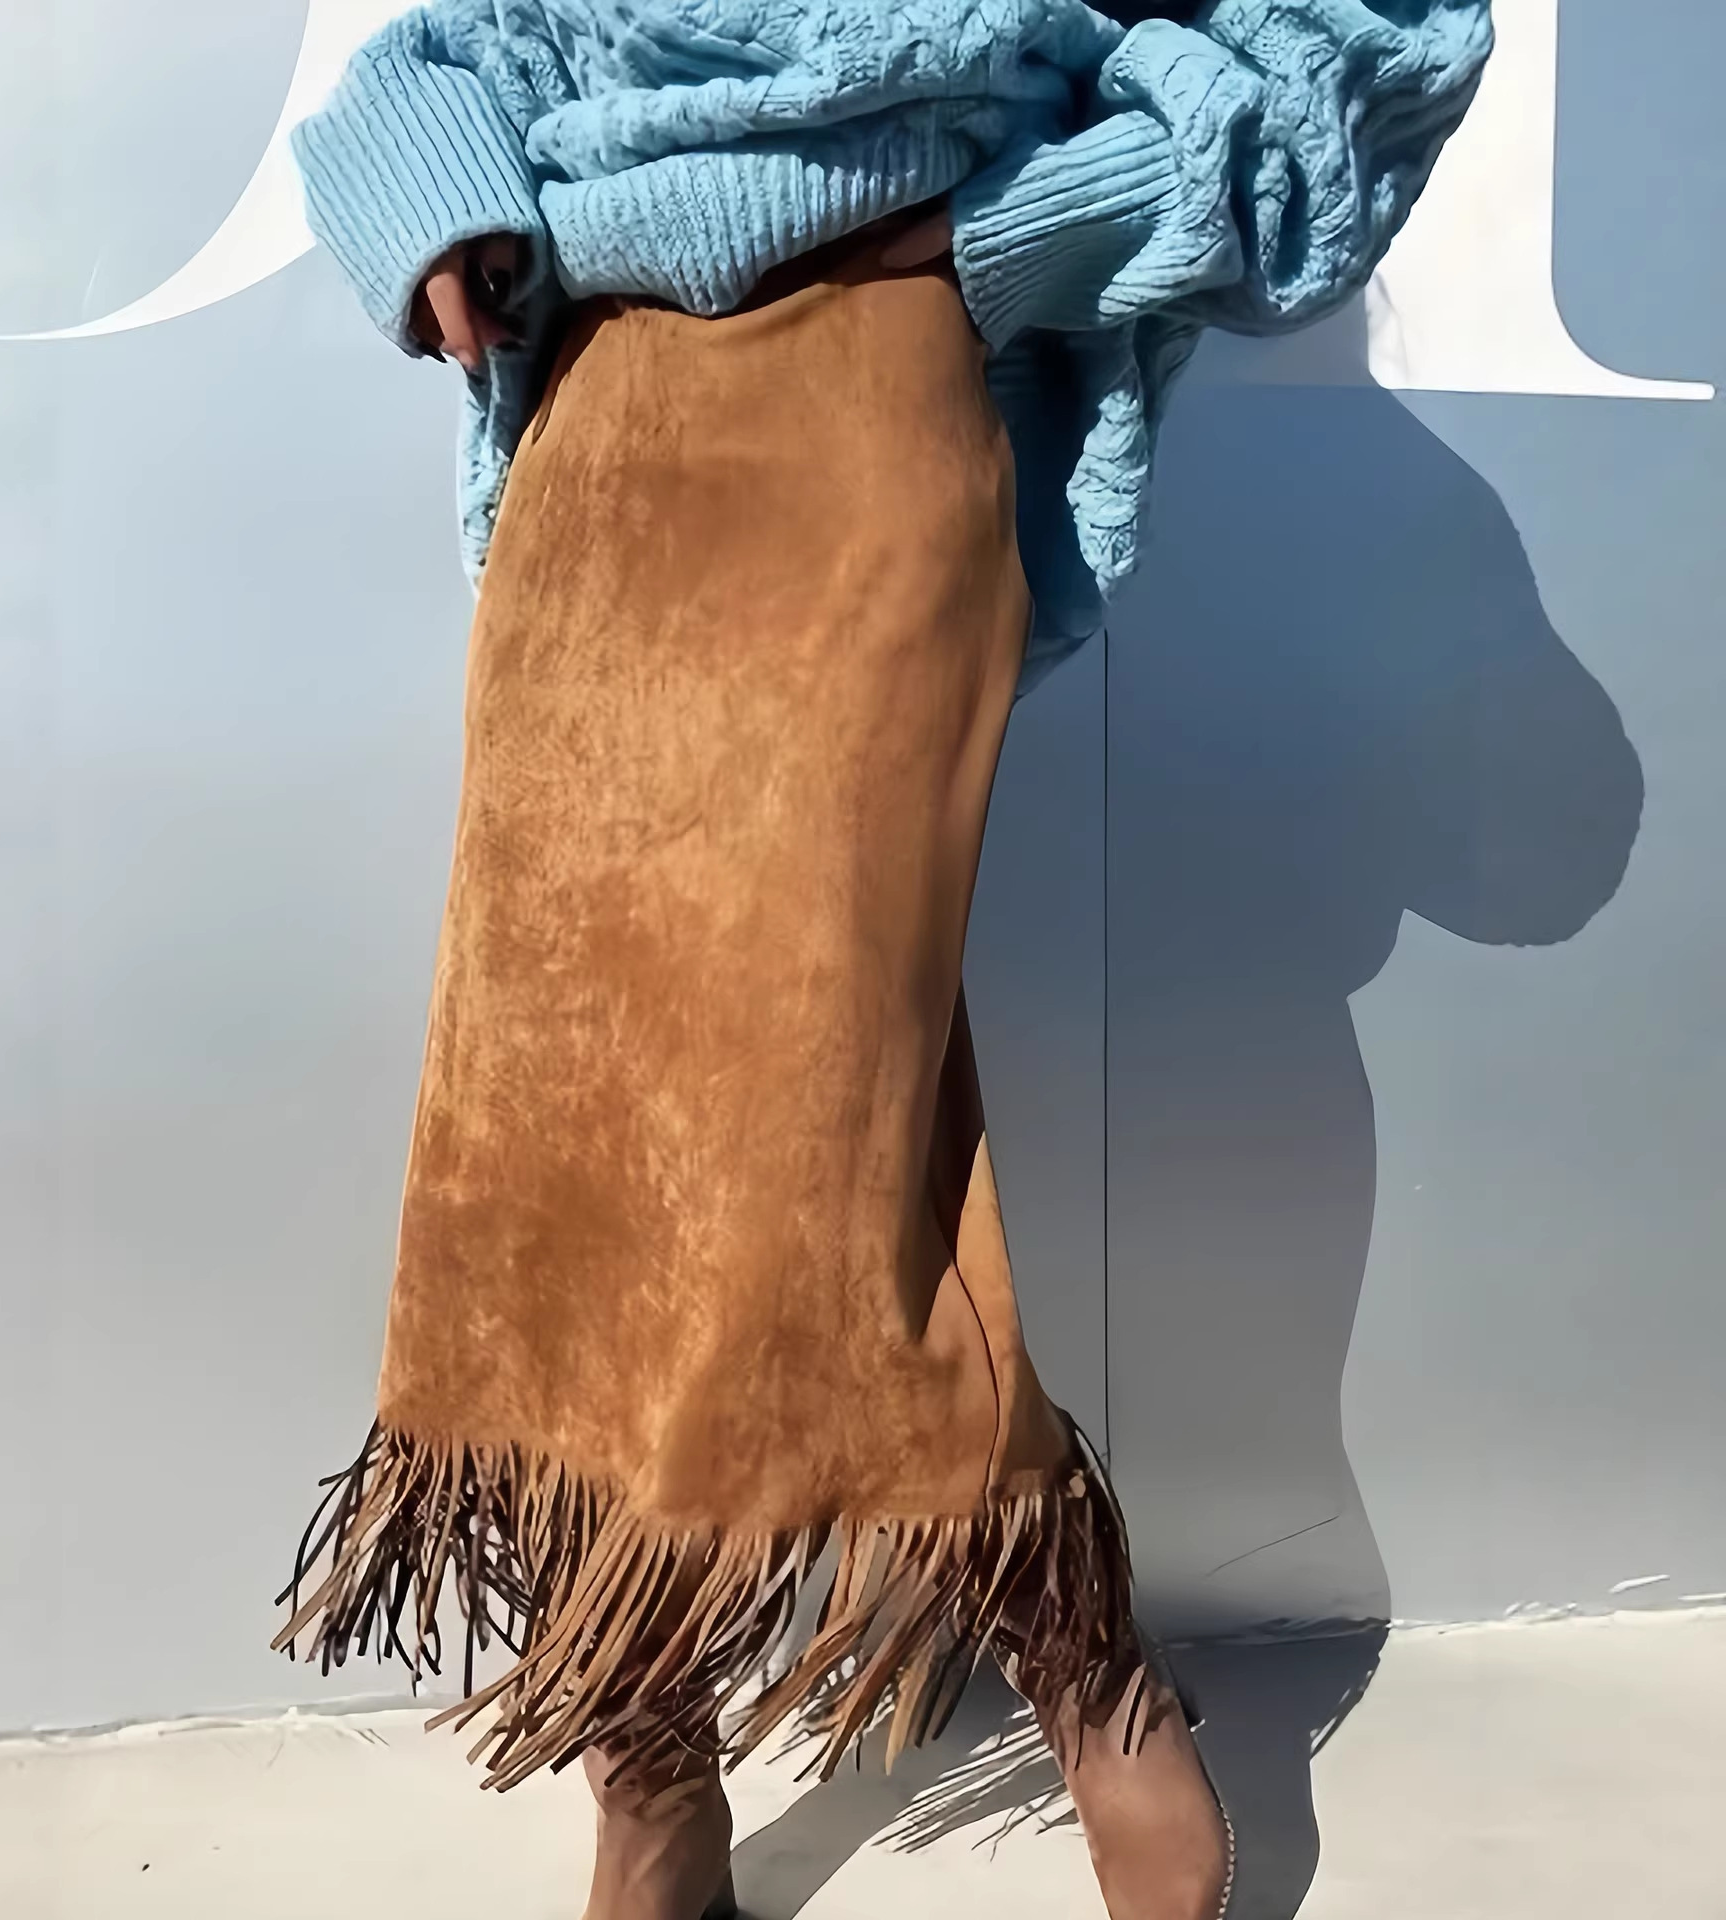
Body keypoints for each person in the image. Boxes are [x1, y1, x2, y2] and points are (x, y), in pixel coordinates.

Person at [270, 4, 1492, 1915]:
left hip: (874, 403)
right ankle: (646, 1746)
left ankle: (1068, 1643)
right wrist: (443, 212)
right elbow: (458, 51)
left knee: (831, 1103)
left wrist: (1019, 235)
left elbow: (1379, 37)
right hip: (603, 422)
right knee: (559, 1104)